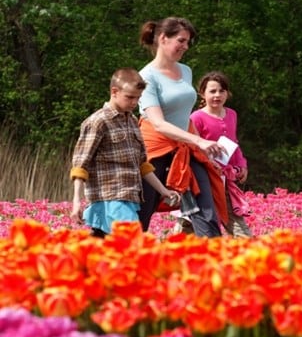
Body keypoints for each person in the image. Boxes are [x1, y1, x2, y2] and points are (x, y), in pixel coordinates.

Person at [137, 17, 229, 237]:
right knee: (144, 210)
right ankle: (130, 259)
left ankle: (212, 258)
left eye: (188, 42)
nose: (186, 47)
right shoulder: (146, 76)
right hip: (156, 148)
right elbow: (158, 123)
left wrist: (202, 147)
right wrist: (199, 140)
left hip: (186, 147)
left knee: (205, 207)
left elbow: (184, 117)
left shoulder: (186, 71)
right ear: (162, 39)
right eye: (181, 40)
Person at [70, 68, 181, 237]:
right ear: (114, 92)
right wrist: (76, 201)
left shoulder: (132, 121)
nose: (134, 102)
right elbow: (80, 165)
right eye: (129, 97)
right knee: (130, 241)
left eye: (138, 98)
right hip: (108, 198)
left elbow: (143, 165)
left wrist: (163, 191)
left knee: (106, 246)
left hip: (130, 197)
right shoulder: (98, 122)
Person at [190, 71, 252, 237]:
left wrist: (242, 165)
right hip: (206, 176)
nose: (217, 95)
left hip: (227, 177)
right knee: (193, 218)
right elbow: (193, 147)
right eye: (212, 91)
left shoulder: (231, 114)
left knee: (231, 214)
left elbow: (234, 142)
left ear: (227, 93)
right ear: (202, 93)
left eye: (221, 91)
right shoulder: (196, 118)